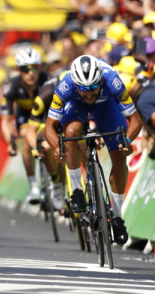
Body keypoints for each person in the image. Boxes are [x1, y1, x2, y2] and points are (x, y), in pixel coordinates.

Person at [43, 55, 141, 245]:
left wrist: (127, 140)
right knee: (71, 133)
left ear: (101, 80)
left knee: (120, 156)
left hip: (106, 108)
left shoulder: (113, 80)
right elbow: (49, 127)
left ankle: (118, 216)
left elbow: (135, 120)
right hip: (75, 106)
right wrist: (58, 148)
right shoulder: (66, 85)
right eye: (83, 90)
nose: (88, 95)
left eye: (92, 89)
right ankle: (77, 190)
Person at [1, 47, 64, 209]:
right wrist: (11, 142)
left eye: (35, 68)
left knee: (48, 145)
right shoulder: (11, 86)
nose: (31, 73)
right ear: (18, 70)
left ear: (40, 68)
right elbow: (5, 120)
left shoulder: (48, 81)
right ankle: (33, 185)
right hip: (26, 118)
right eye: (25, 69)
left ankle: (58, 182)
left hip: (47, 115)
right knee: (27, 141)